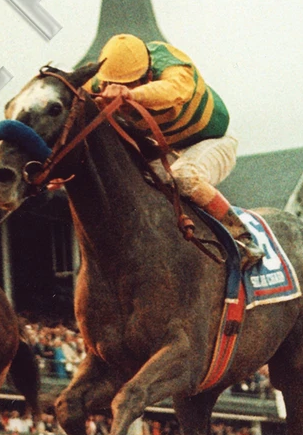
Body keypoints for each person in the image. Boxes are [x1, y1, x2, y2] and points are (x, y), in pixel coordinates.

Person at [89, 34, 263, 263]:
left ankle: (243, 239)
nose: (114, 90)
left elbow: (173, 90)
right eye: (109, 84)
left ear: (148, 75)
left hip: (214, 140)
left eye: (129, 83)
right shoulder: (101, 80)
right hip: (169, 149)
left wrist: (130, 94)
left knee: (185, 176)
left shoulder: (172, 64)